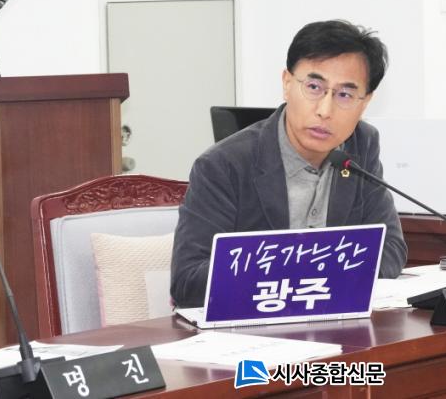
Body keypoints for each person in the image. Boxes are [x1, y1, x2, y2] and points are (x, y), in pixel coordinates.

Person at [171, 20, 408, 307]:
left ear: (365, 102)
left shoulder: (360, 145)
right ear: (286, 83)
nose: (325, 110)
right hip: (253, 322)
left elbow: (390, 249)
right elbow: (188, 281)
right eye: (314, 87)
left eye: (345, 95)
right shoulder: (223, 165)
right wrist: (307, 270)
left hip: (334, 320)